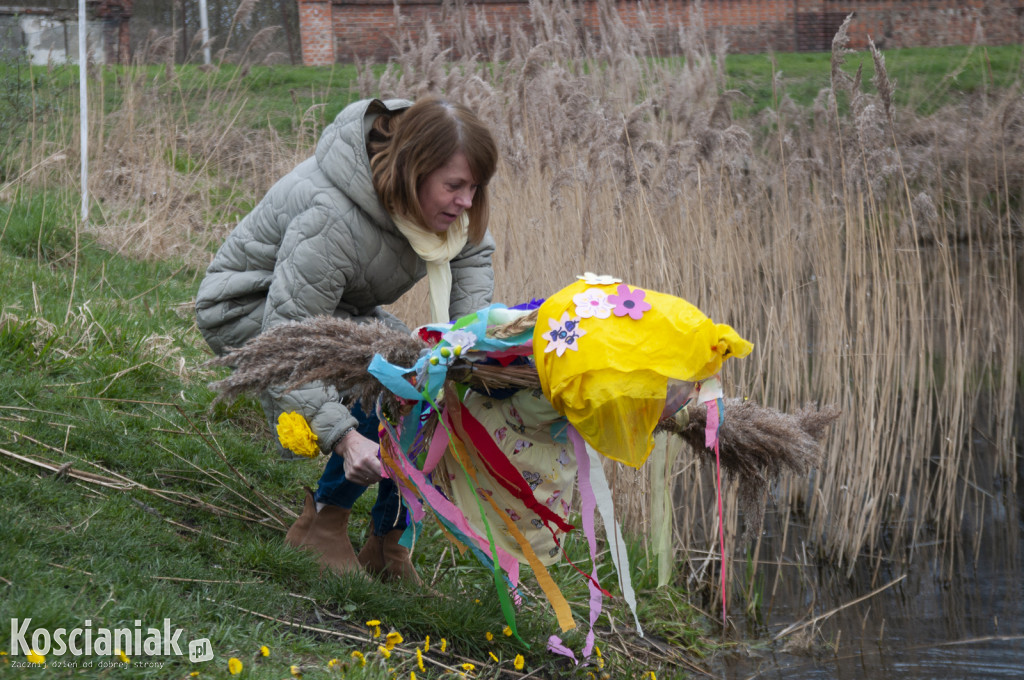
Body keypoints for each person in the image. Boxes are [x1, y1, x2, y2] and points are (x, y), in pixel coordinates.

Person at [194, 96, 500, 583]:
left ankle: (389, 542)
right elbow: (287, 337)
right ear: (413, 170)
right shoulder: (332, 218)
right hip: (249, 308)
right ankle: (322, 525)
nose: (466, 201)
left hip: (335, 309)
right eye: (454, 186)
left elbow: (473, 264)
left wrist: (465, 357)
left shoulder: (447, 217)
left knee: (425, 381)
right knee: (378, 382)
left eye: (475, 188)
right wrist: (343, 436)